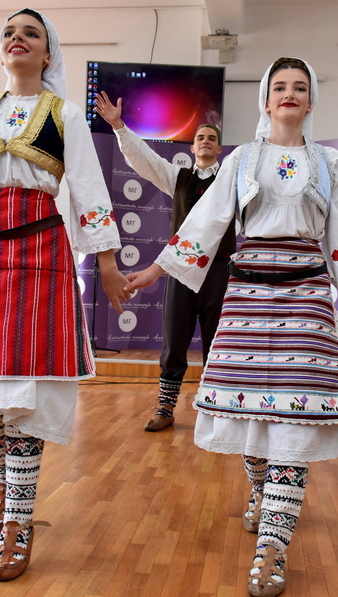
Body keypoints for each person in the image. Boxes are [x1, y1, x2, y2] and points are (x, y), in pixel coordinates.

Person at [124, 57, 338, 597]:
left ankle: (272, 548)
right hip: (248, 294)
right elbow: (206, 221)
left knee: (295, 421)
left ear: (311, 99)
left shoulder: (329, 162)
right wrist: (154, 270)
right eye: (280, 86)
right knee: (251, 410)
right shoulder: (242, 159)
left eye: (299, 87)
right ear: (265, 99)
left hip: (306, 297)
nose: (289, 94)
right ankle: (259, 487)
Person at [0, 9, 128, 582]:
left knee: (26, 393)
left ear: (47, 54)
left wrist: (107, 260)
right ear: (2, 51)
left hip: (41, 254)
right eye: (9, 33)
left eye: (30, 33)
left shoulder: (64, 113)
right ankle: (2, 482)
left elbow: (87, 188)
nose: (17, 38)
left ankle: (18, 518)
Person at [93, 91, 234, 432]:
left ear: (219, 149)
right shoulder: (178, 178)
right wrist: (119, 127)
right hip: (180, 270)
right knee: (174, 339)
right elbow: (146, 160)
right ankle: (166, 408)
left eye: (211, 138)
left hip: (219, 271)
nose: (205, 141)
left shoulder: (232, 183)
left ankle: (217, 411)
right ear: (192, 148)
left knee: (218, 341)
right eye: (200, 138)